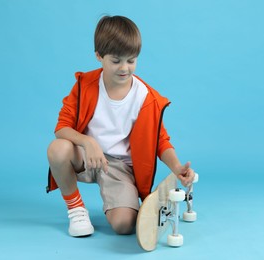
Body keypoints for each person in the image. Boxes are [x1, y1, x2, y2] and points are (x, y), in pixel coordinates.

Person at [46, 15, 195, 237]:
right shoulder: (84, 85)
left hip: (120, 167)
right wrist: (88, 142)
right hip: (87, 155)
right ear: (99, 56)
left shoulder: (146, 97)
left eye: (131, 60)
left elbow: (160, 140)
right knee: (58, 148)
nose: (124, 68)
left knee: (124, 226)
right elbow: (61, 128)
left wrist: (176, 167)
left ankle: (136, 205)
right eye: (116, 61)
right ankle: (76, 209)